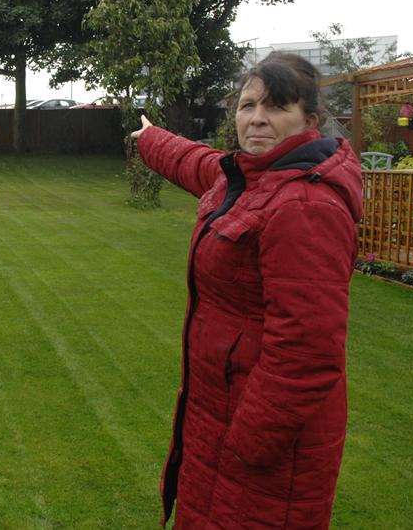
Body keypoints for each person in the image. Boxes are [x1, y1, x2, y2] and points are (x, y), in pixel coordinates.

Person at [131, 52, 362, 529]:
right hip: (221, 417)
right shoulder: (251, 179)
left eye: (276, 107)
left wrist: (249, 442)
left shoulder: (304, 203)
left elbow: (308, 351)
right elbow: (195, 162)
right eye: (247, 105)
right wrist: (150, 138)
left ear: (310, 121)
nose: (257, 118)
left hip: (265, 443)